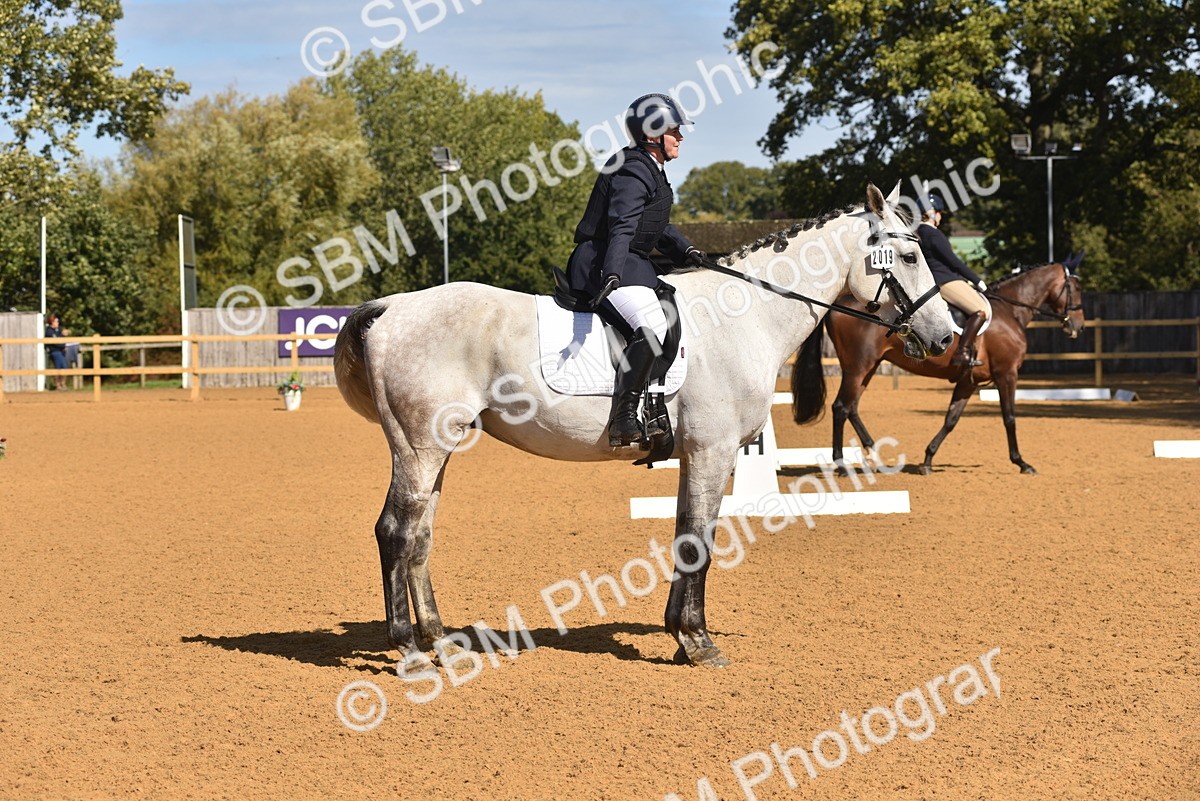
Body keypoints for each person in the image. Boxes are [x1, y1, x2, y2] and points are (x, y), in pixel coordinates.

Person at [566, 93, 706, 446]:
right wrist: (611, 274)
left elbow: (656, 224)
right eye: (675, 130)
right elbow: (623, 227)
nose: (681, 137)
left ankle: (656, 406)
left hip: (630, 261)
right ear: (653, 134)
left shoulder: (649, 168)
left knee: (670, 311)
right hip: (604, 261)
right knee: (652, 327)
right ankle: (624, 417)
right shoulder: (632, 169)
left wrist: (687, 249)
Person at [917, 194, 989, 370]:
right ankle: (962, 352)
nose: (940, 216)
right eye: (939, 212)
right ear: (931, 213)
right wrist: (977, 280)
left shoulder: (916, 233)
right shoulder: (933, 234)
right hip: (944, 280)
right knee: (982, 310)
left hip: (934, 279)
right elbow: (953, 262)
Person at [44, 314, 67, 391]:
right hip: (55, 351)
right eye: (56, 322)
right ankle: (58, 385)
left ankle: (62, 384)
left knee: (63, 368)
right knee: (59, 368)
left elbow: (61, 338)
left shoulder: (58, 330)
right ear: (52, 322)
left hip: (61, 351)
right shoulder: (49, 331)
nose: (58, 323)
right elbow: (56, 342)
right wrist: (62, 345)